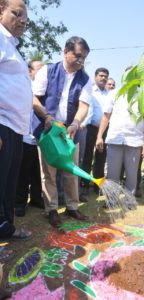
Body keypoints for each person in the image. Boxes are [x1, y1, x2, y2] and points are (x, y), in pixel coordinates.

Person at [32, 36, 92, 228]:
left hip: (69, 132)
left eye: (84, 58)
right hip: (48, 129)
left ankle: (72, 207)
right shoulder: (47, 71)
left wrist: (75, 123)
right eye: (78, 56)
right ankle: (51, 209)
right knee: (48, 173)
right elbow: (34, 98)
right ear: (66, 52)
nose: (81, 61)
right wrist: (47, 117)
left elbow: (83, 106)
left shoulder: (85, 78)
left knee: (71, 170)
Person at [0, 0, 32, 239]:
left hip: (15, 127)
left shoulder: (12, 46)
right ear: (1, 11)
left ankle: (6, 229)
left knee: (8, 185)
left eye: (25, 17)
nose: (23, 20)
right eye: (17, 13)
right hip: (2, 123)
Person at [96, 88, 144, 202]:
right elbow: (106, 116)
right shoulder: (114, 93)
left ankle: (129, 200)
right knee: (112, 174)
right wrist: (99, 136)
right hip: (115, 138)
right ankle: (111, 200)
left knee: (132, 174)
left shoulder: (143, 95)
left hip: (134, 140)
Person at [15, 60, 45, 217]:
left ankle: (36, 198)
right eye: (39, 69)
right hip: (25, 137)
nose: (43, 72)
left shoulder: (44, 90)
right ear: (30, 72)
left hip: (40, 139)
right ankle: (19, 203)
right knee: (23, 173)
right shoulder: (23, 87)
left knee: (38, 172)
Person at [80, 68, 109, 196]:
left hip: (105, 130)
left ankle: (98, 186)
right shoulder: (89, 91)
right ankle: (84, 184)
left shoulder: (110, 94)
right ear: (95, 76)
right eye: (101, 75)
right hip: (90, 128)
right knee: (87, 157)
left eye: (105, 76)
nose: (103, 78)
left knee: (101, 158)